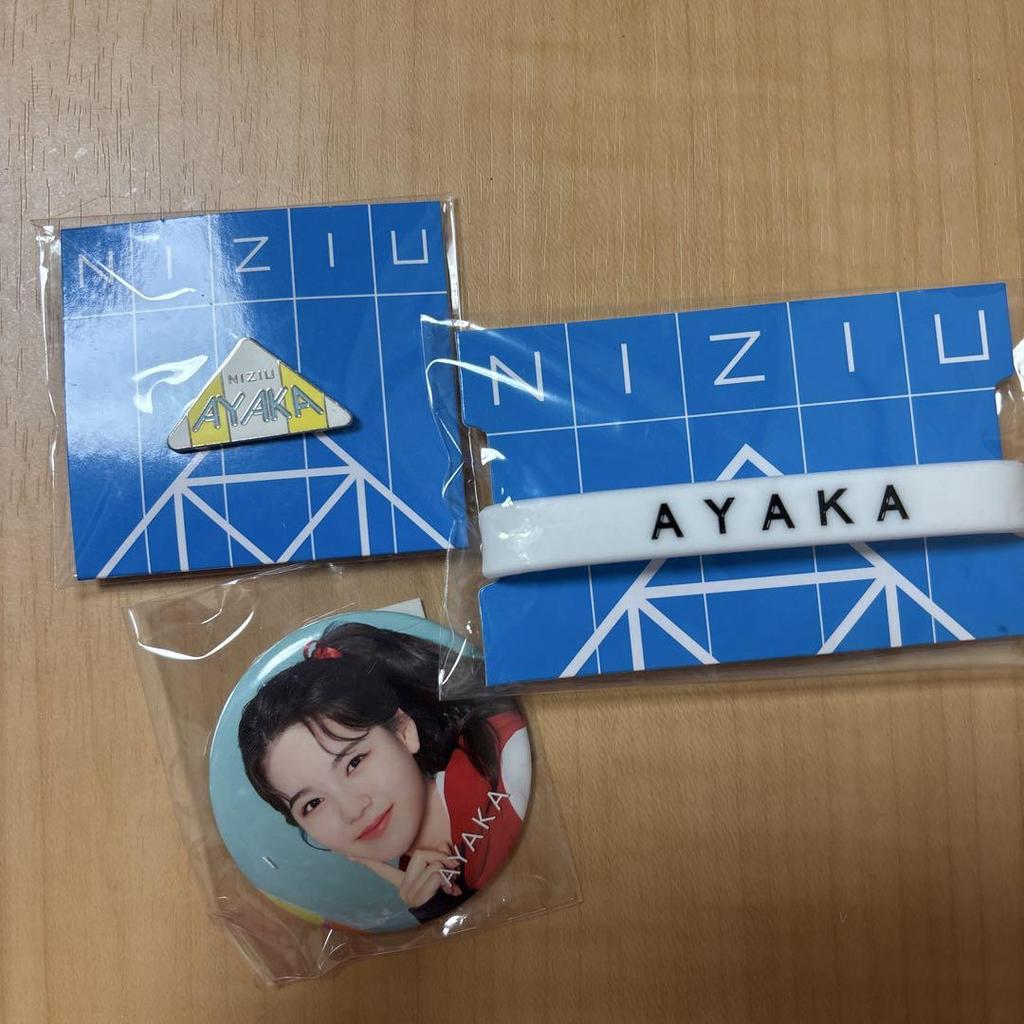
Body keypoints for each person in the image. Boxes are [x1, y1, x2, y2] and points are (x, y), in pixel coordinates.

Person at [238, 620, 530, 923]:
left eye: (354, 762)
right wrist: (435, 909)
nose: (352, 811)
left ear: (403, 731)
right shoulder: (420, 889)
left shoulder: (500, 753)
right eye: (312, 804)